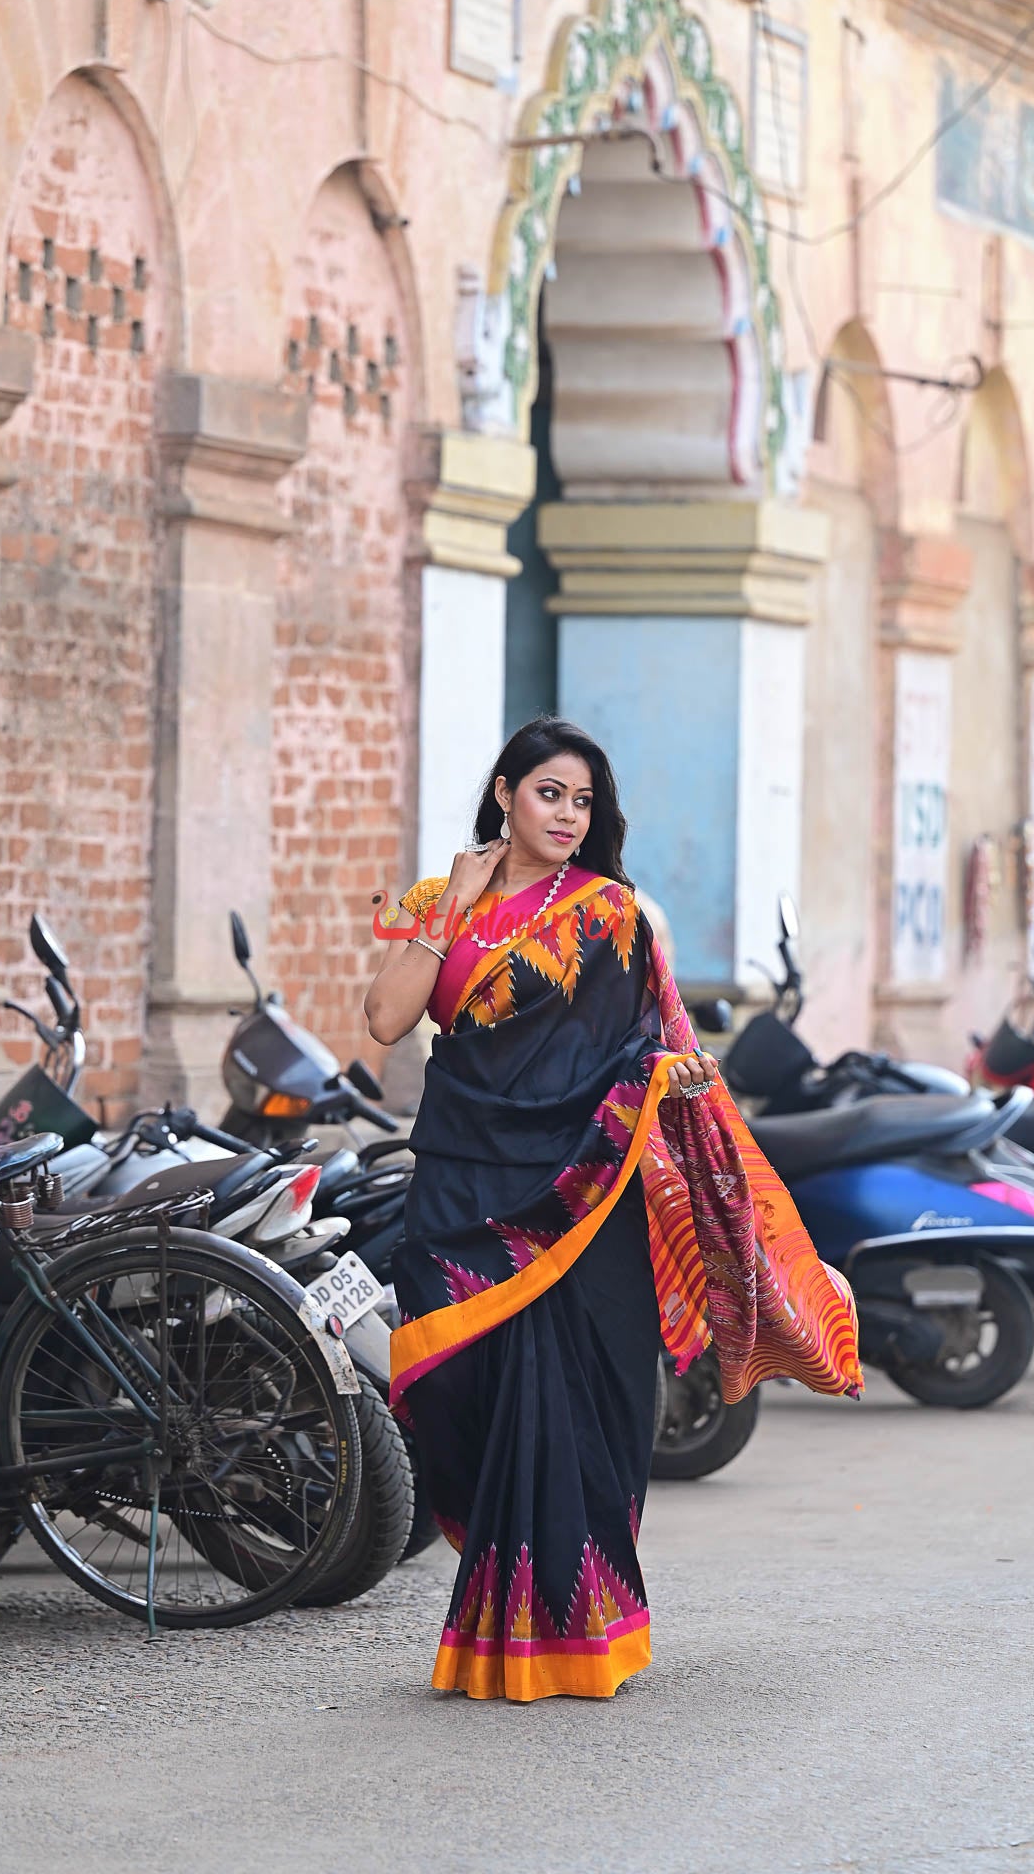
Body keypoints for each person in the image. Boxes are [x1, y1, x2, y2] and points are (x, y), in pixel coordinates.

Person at [364, 717, 861, 1704]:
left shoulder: (609, 916)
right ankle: (501, 1627)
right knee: (466, 1393)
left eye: (582, 800)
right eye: (549, 792)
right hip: (463, 1187)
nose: (566, 814)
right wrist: (448, 911)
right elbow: (385, 1021)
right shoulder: (438, 899)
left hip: (584, 1199)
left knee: (582, 1404)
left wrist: (664, 1078)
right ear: (504, 793)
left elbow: (647, 1040)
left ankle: (575, 1630)